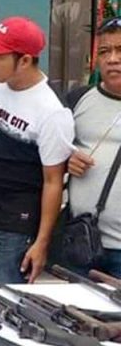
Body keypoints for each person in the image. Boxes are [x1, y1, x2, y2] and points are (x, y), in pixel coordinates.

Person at [0, 16, 74, 284]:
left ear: (24, 60)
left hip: (16, 222)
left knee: (8, 298)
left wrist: (42, 242)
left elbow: (53, 181)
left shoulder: (53, 111)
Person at [65, 16, 121, 278]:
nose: (112, 59)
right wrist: (67, 160)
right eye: (104, 51)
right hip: (83, 242)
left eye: (120, 50)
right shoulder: (77, 99)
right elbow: (51, 156)